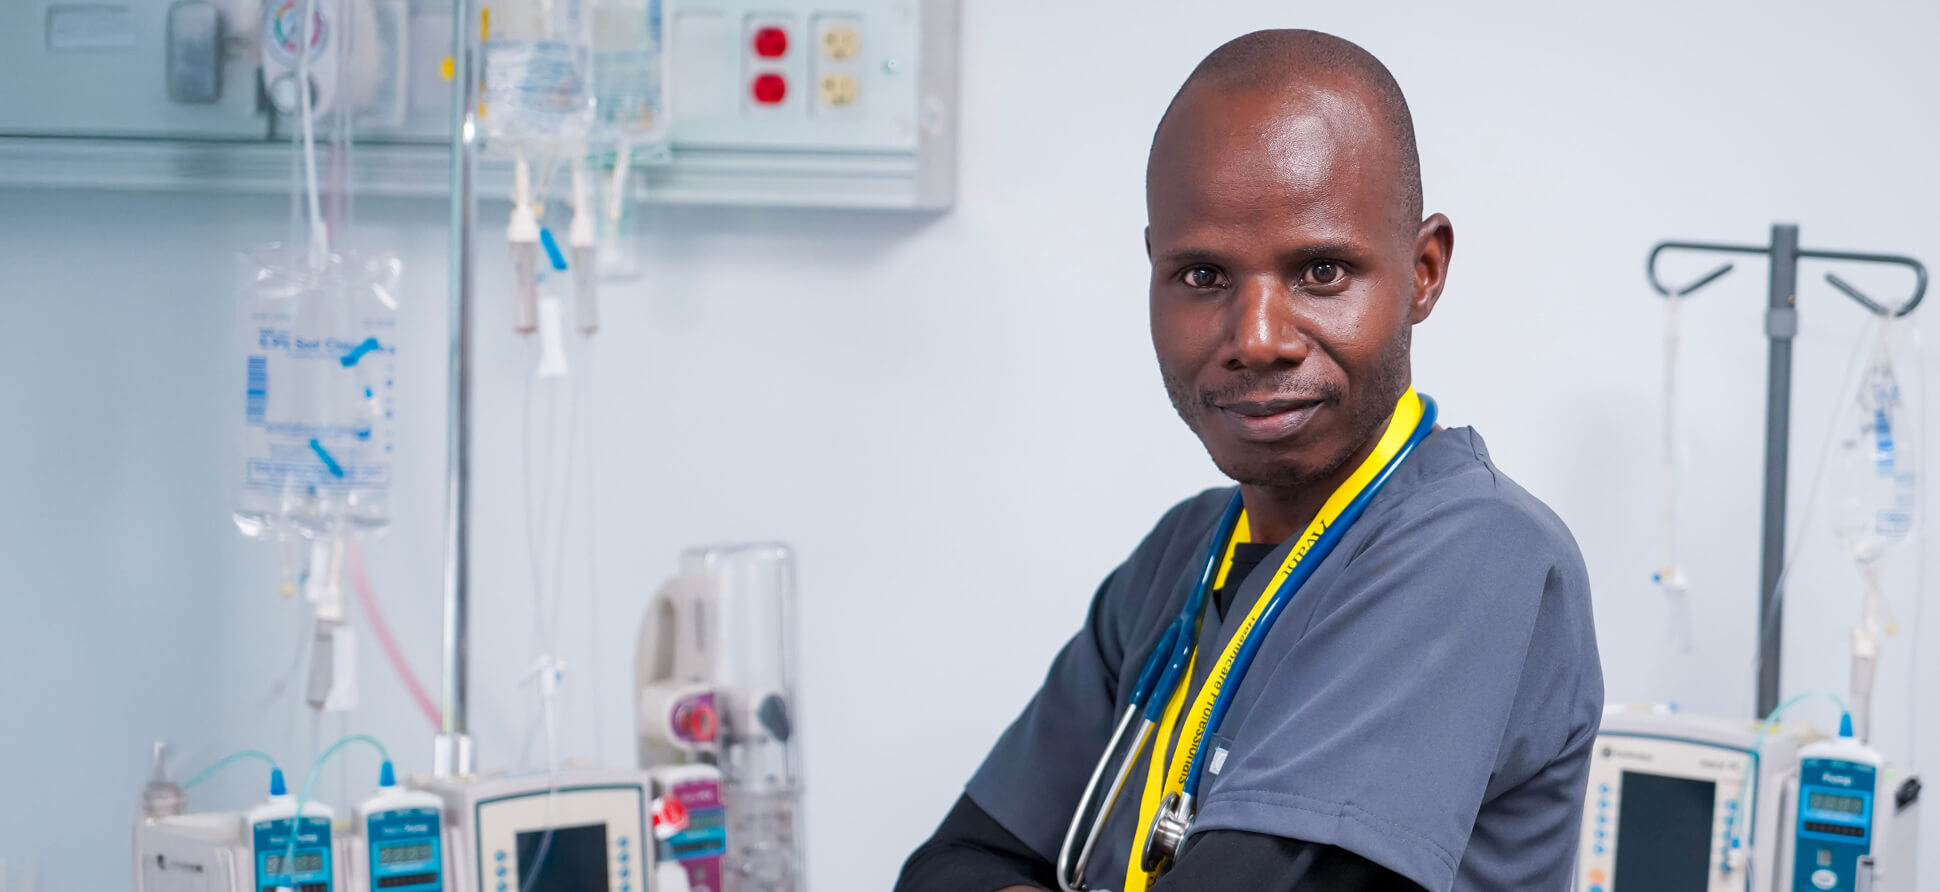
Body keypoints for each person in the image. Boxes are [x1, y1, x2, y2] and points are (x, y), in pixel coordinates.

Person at [894, 29, 1603, 892]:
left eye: (1320, 271)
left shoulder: (1477, 553)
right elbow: (949, 867)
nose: (1258, 339)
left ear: (1423, 272)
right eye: (1203, 277)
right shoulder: (1180, 557)